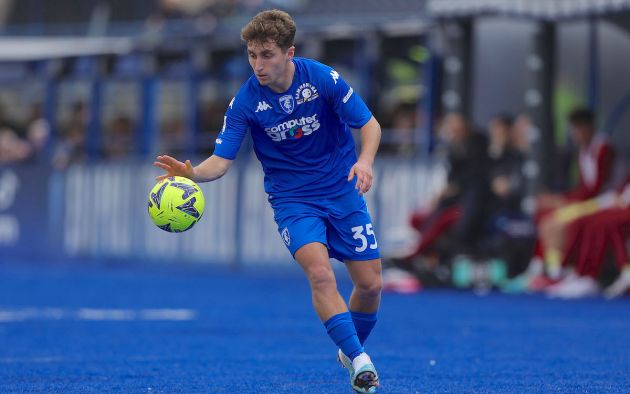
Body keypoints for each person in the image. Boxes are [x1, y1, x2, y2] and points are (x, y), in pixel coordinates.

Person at [153, 10, 381, 393]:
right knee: (321, 274)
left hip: (342, 190)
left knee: (371, 285)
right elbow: (221, 162)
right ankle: (360, 363)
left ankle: (349, 349)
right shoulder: (245, 102)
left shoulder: (323, 79)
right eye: (252, 55)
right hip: (293, 201)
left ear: (289, 53)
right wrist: (190, 174)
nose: (258, 64)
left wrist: (365, 160)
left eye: (267, 55)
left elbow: (370, 125)